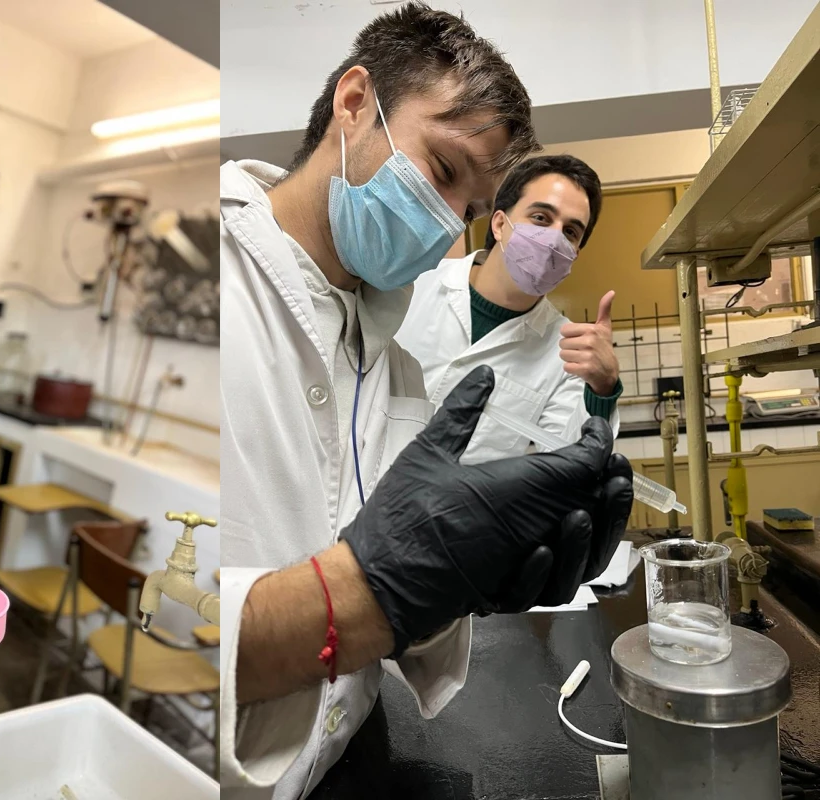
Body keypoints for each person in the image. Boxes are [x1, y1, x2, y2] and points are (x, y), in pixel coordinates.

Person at [218, 4, 633, 798]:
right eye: (443, 172)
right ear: (353, 102)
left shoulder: (389, 349)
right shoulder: (223, 278)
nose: (446, 221)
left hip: (348, 750)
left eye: (467, 206)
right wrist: (380, 583)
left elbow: (392, 550)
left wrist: (464, 574)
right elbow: (169, 608)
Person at [395, 154, 622, 465]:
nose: (554, 238)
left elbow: (567, 462)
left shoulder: (565, 352)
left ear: (575, 253)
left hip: (457, 509)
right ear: (500, 223)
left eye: (570, 232)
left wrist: (603, 387)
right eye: (541, 218)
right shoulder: (412, 284)